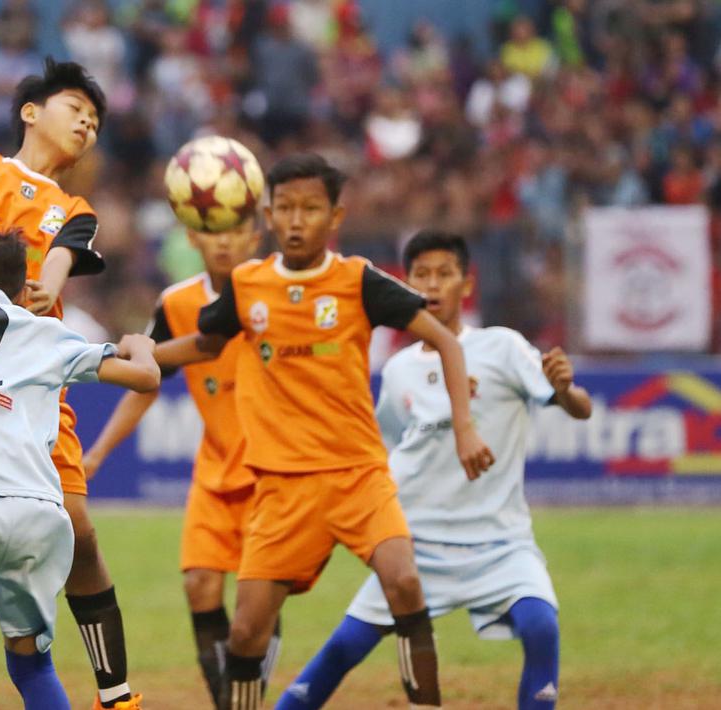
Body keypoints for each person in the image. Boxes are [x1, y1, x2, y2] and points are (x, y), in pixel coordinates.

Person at [154, 154, 495, 710]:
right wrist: (140, 352)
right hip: (283, 489)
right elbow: (204, 344)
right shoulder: (248, 284)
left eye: (310, 209)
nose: (296, 220)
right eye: (285, 208)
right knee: (245, 633)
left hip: (358, 476)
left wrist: (464, 427)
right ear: (266, 214)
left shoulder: (357, 281)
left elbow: (449, 342)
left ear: (335, 216)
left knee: (404, 583)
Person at [276, 232, 592, 710]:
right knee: (342, 650)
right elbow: (384, 448)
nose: (432, 283)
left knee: (541, 626)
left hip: (500, 544)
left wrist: (566, 390)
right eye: (421, 274)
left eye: (445, 273)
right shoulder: (399, 369)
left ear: (467, 284)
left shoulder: (502, 347)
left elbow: (580, 408)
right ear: (406, 284)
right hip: (416, 545)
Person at [0, 58, 142, 710]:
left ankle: (115, 690)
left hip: (34, 384)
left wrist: (43, 293)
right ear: (30, 111)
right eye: (77, 110)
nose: (87, 126)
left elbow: (61, 263)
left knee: (79, 530)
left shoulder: (75, 210)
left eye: (95, 123)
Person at [0, 229, 160, 710]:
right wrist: (137, 345)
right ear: (25, 293)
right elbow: (145, 377)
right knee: (32, 665)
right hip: (36, 513)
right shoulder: (49, 332)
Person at [82, 218, 281, 704]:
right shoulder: (177, 304)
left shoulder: (272, 294)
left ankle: (242, 699)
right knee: (199, 585)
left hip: (272, 473)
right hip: (215, 472)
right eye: (212, 230)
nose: (224, 241)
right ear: (193, 238)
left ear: (255, 239)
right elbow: (147, 380)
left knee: (258, 605)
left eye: (236, 231)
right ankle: (230, 701)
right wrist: (98, 454)